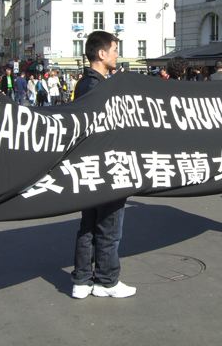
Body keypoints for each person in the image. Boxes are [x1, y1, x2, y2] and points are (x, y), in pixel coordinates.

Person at [71, 30, 136, 299]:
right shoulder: (98, 87)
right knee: (108, 227)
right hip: (107, 166)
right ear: (101, 54)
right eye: (114, 49)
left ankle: (82, 280)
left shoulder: (84, 84)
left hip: (89, 167)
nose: (116, 54)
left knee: (89, 225)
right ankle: (107, 281)